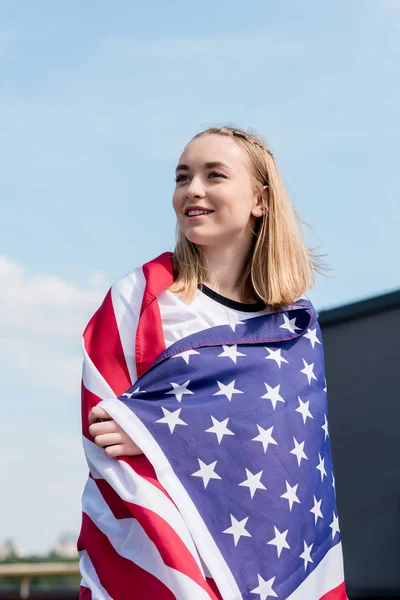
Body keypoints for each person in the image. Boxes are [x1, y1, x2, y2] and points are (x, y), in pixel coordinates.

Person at [78, 126, 347, 600]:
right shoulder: (142, 298)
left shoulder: (294, 329)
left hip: (268, 563)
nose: (192, 190)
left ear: (259, 199)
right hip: (168, 563)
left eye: (214, 175)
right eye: (182, 177)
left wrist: (158, 430)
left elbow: (288, 462)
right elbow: (103, 428)